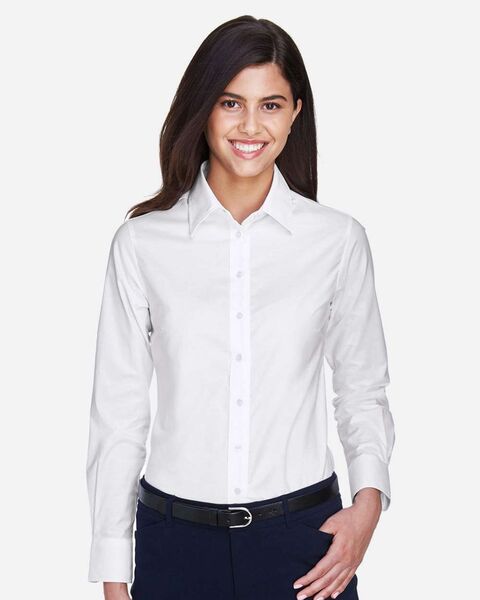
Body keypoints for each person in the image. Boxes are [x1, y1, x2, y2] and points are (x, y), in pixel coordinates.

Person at [86, 14, 395, 600]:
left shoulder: (337, 241)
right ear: (203, 108)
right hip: (175, 545)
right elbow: (118, 413)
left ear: (295, 113)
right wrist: (112, 568)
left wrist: (367, 508)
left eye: (270, 105)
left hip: (306, 544)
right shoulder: (142, 244)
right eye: (231, 103)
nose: (250, 125)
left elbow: (362, 390)